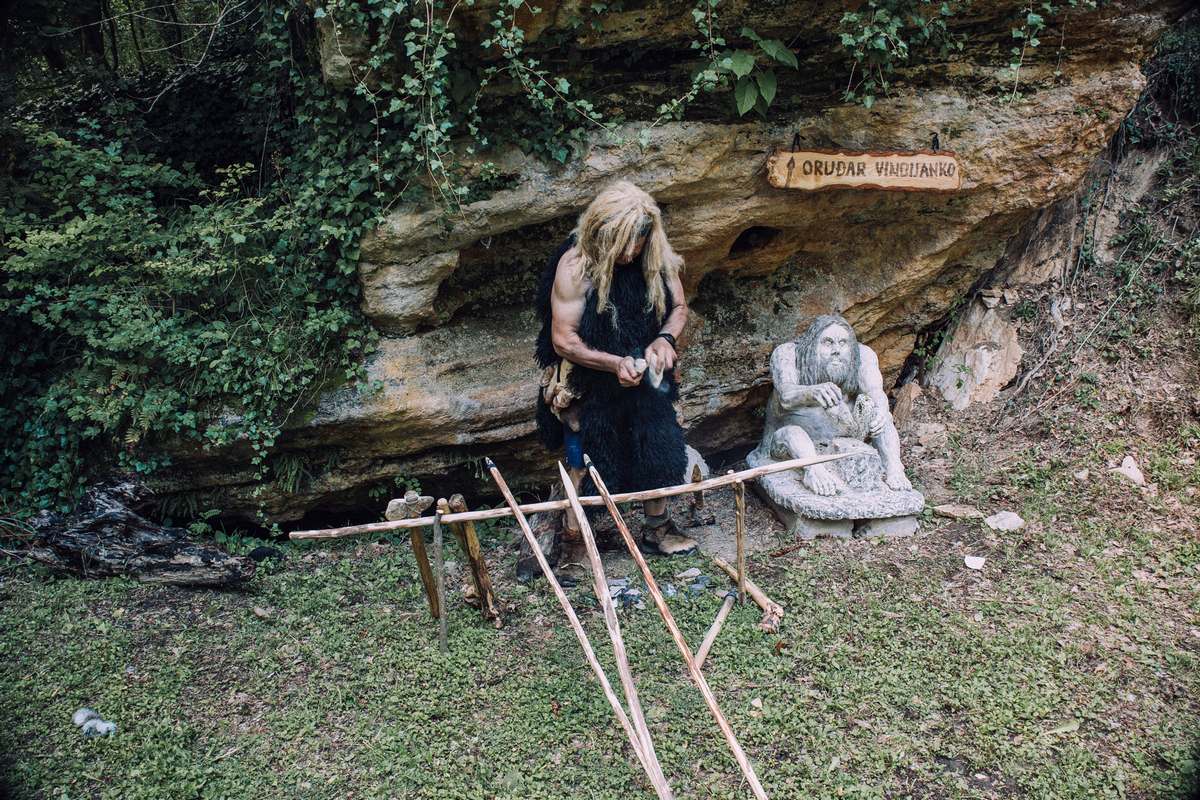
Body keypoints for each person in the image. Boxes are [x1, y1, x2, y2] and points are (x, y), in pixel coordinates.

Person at [523, 181, 697, 579]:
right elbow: (563, 339)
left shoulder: (656, 258)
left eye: (638, 242)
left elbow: (679, 308)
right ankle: (575, 543)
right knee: (582, 456)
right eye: (623, 243)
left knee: (658, 441)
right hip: (585, 381)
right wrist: (614, 363)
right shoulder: (575, 266)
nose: (631, 252)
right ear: (601, 233)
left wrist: (663, 340)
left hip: (643, 372)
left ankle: (657, 528)